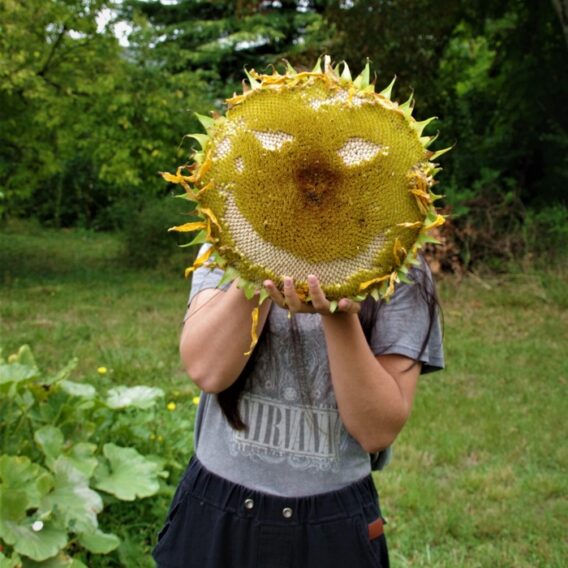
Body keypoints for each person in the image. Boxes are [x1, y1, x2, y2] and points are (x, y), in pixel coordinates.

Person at [152, 243, 444, 568]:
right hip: (216, 511)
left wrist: (334, 307)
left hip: (332, 523)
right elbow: (207, 370)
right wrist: (260, 261)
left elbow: (375, 430)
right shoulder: (227, 230)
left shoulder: (400, 254)